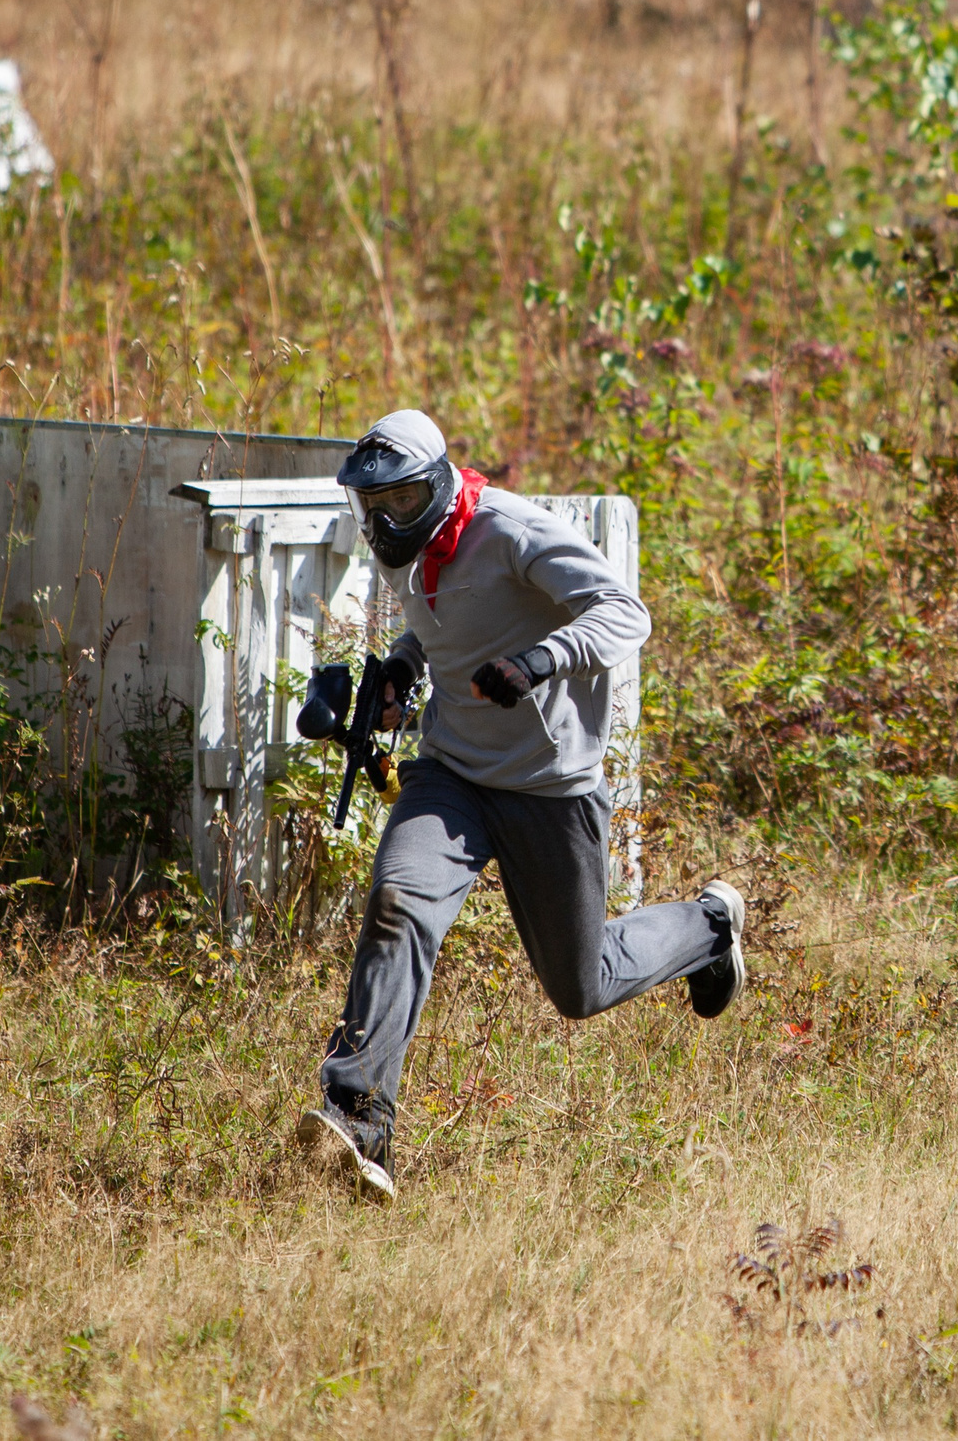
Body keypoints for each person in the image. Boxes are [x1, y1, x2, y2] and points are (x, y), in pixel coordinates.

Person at [298, 409, 745, 1199]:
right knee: (399, 900)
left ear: (436, 484)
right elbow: (430, 628)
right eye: (371, 506)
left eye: (399, 501)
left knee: (582, 985)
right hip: (453, 775)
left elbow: (625, 611)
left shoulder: (511, 529)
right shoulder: (407, 548)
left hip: (549, 787)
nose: (382, 520)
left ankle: (710, 926)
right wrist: (399, 676)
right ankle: (358, 1115)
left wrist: (540, 660)